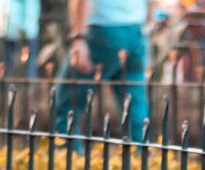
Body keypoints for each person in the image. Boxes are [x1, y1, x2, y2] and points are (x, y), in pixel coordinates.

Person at [58, 0, 151, 140]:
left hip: (101, 29)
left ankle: (67, 155)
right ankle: (142, 156)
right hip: (135, 29)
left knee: (67, 105)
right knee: (134, 105)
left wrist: (79, 38)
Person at [0, 0, 42, 78]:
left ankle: (27, 85)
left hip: (22, 32)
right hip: (19, 32)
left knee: (25, 64)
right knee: (13, 63)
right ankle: (15, 84)